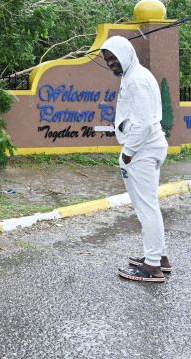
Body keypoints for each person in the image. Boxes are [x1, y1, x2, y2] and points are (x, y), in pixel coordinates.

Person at [100, 35, 171, 283]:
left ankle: (152, 267)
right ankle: (158, 257)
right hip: (148, 147)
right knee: (149, 204)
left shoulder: (137, 81)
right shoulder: (135, 75)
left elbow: (143, 123)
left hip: (142, 151)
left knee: (145, 207)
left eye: (113, 58)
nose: (110, 63)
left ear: (126, 54)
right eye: (107, 59)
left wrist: (127, 153)